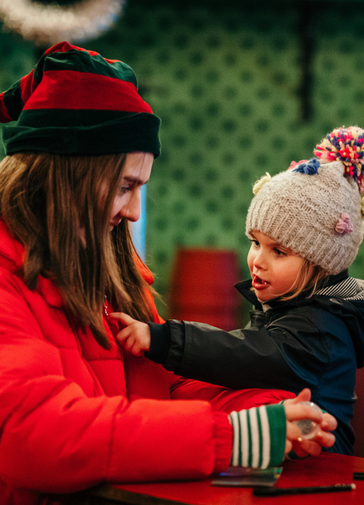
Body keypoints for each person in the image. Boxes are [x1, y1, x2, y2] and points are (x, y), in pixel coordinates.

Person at [112, 126, 364, 456]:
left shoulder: (320, 328)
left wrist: (165, 340)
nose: (258, 260)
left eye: (279, 252)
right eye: (255, 243)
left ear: (321, 264)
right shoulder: (288, 306)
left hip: (320, 457)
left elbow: (245, 355)